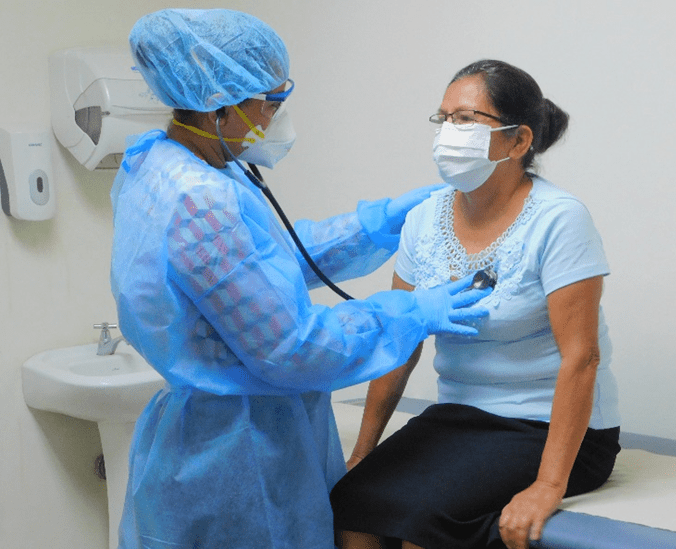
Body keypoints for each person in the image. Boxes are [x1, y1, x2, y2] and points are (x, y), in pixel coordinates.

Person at [110, 9, 493, 549]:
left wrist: (374, 225)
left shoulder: (168, 163)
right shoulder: (200, 199)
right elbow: (293, 347)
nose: (275, 115)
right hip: (237, 453)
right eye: (269, 101)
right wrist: (409, 313)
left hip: (217, 435)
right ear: (221, 103)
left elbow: (265, 259)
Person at [330, 59, 621, 549]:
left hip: (547, 424)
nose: (448, 131)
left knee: (420, 521)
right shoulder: (423, 221)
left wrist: (548, 486)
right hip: (460, 416)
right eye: (443, 118)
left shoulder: (559, 220)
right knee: (350, 502)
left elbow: (582, 357)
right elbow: (401, 339)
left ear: (518, 141)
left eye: (465, 119)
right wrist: (363, 452)